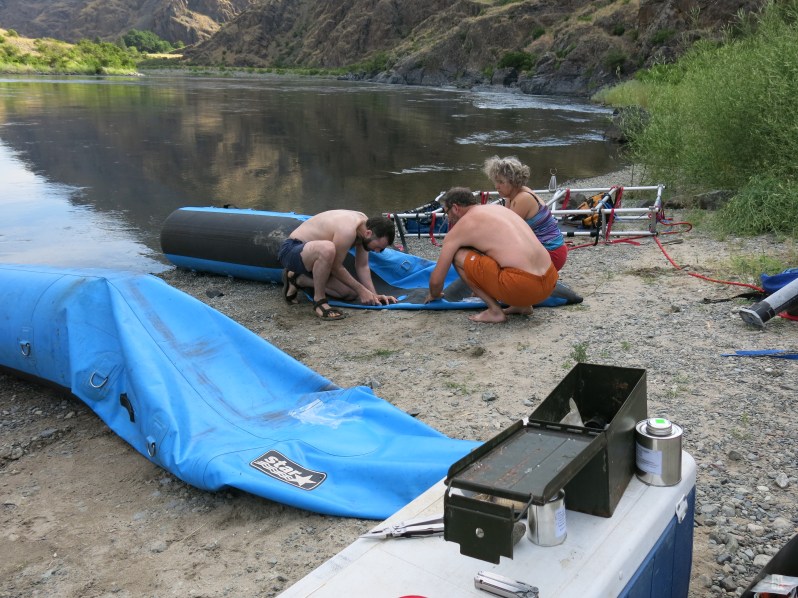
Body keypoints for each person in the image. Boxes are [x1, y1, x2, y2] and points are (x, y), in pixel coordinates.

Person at [424, 188, 558, 324]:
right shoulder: (500, 210)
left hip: (521, 285)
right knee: (497, 251)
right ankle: (523, 305)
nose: (448, 218)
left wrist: (435, 294)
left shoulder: (462, 226)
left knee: (457, 255)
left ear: (455, 208)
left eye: (447, 213)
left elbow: (436, 281)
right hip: (549, 281)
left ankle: (495, 311)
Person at [278, 210, 398, 320]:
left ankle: (297, 279)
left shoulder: (366, 227)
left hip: (314, 259)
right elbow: (335, 267)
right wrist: (362, 290)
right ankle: (319, 301)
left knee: (350, 293)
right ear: (368, 233)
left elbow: (362, 266)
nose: (377, 251)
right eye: (377, 247)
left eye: (381, 249)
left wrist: (374, 295)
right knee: (328, 248)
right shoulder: (348, 230)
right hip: (291, 250)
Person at [483, 155, 568, 271]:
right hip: (544, 249)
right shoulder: (511, 196)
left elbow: (506, 233)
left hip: (551, 252)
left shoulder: (522, 198)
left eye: (501, 182)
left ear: (513, 181)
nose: (496, 186)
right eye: (495, 181)